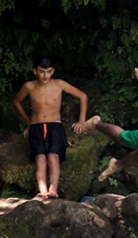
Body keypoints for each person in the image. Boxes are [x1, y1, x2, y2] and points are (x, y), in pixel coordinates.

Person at [12, 55, 89, 200]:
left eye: (48, 71)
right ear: (35, 71)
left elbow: (82, 96)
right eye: (41, 71)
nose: (45, 75)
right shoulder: (29, 86)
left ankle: (53, 190)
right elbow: (17, 102)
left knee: (53, 157)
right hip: (36, 126)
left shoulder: (59, 84)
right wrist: (28, 122)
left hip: (55, 126)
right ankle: (43, 191)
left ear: (53, 71)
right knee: (40, 158)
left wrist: (81, 121)